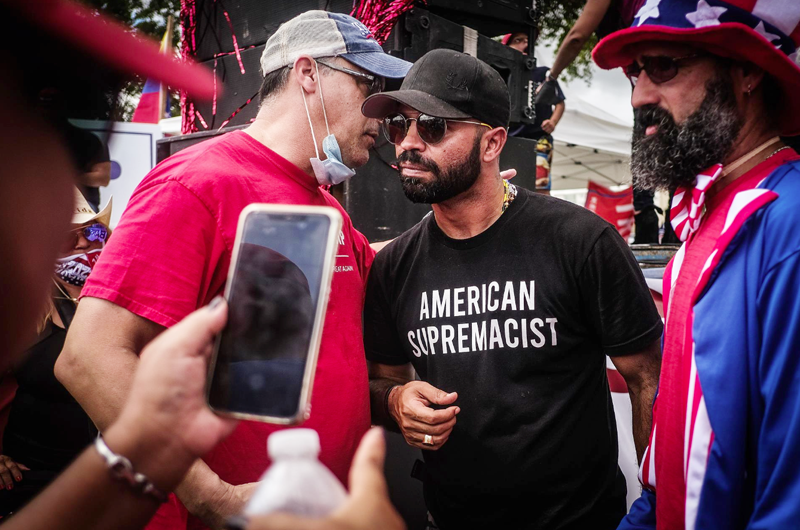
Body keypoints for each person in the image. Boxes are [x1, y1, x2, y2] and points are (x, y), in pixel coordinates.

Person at [0, 1, 403, 530]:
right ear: (308, 73)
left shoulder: (326, 207)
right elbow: (88, 357)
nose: (381, 113)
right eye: (367, 87)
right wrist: (211, 496)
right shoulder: (195, 184)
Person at [360, 48, 663, 529]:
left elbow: (649, 378)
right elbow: (381, 382)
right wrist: (396, 402)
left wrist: (655, 507)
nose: (407, 144)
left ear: (492, 143)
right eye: (400, 126)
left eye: (433, 126)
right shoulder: (395, 266)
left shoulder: (581, 242)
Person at [592, 0, 800, 528]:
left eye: (664, 66)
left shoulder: (788, 226)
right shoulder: (702, 228)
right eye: (634, 73)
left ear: (748, 70)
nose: (639, 96)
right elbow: (667, 477)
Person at [0, 189, 111, 517]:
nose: (83, 244)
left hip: (105, 480)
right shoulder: (21, 307)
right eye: (66, 238)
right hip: (35, 478)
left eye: (93, 231)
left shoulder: (120, 296)